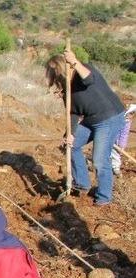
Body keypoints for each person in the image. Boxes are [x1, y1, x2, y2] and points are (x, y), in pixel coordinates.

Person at [46, 48, 126, 206]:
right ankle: (82, 183)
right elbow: (73, 112)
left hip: (109, 117)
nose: (54, 78)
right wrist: (70, 133)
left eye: (55, 73)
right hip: (91, 118)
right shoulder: (66, 87)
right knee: (70, 146)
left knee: (99, 160)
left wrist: (74, 62)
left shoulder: (84, 69)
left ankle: (104, 197)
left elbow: (89, 80)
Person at [109, 103, 135, 176]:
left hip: (117, 143)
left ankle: (115, 168)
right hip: (109, 138)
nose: (129, 117)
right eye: (128, 115)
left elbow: (124, 134)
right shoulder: (115, 118)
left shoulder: (127, 122)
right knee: (105, 152)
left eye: (131, 115)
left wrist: (121, 144)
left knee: (116, 155)